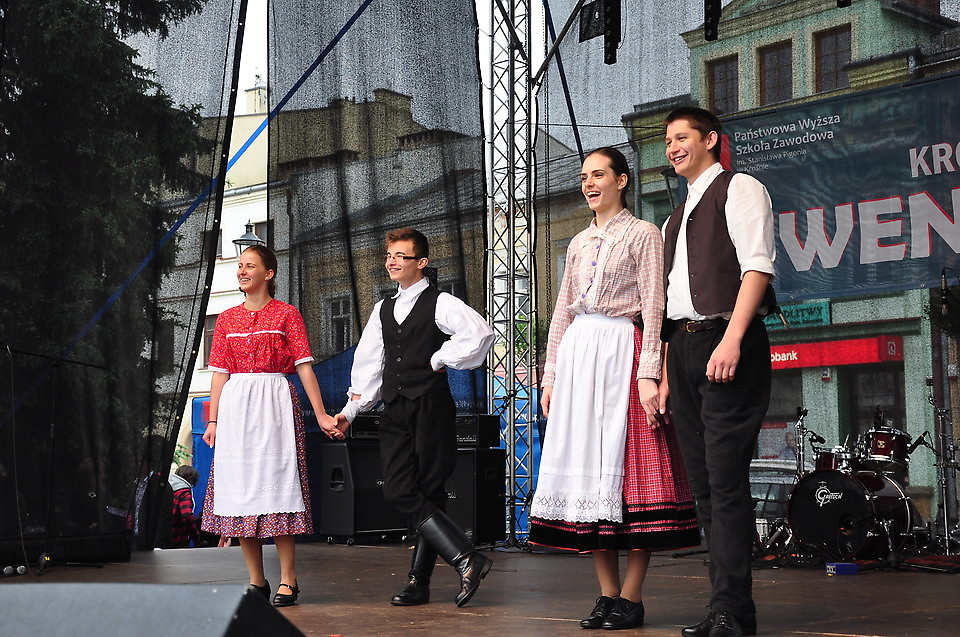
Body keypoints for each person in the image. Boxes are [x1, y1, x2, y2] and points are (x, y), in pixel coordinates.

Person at [528, 147, 700, 630]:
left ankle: (632, 595)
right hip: (581, 354)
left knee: (633, 474)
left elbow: (655, 305)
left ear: (622, 180)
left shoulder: (643, 233)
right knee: (588, 475)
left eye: (598, 174)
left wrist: (649, 373)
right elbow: (562, 310)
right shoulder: (578, 242)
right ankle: (606, 594)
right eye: (584, 176)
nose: (589, 183)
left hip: (623, 349)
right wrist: (550, 375)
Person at [659, 107, 777, 637]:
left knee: (726, 481)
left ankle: (732, 611)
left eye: (682, 137)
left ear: (710, 139)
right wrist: (665, 373)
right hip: (683, 348)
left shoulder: (740, 188)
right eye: (668, 140)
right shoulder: (675, 215)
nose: (672, 147)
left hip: (726, 337)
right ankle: (724, 609)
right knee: (704, 484)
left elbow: (757, 267)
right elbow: (671, 298)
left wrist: (731, 338)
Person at [334, 228, 495, 608]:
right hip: (396, 408)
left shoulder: (440, 302)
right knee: (398, 488)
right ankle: (465, 557)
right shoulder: (382, 309)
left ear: (421, 263)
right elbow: (370, 363)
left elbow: (480, 335)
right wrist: (350, 411)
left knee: (430, 492)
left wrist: (439, 358)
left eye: (401, 256)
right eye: (389, 255)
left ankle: (418, 583)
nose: (392, 261)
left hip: (431, 406)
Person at [201, 244, 342, 607]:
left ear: (269, 273)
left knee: (279, 487)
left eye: (250, 265)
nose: (242, 271)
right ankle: (256, 581)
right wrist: (213, 419)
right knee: (240, 492)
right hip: (236, 408)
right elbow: (219, 374)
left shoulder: (286, 314)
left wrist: (321, 414)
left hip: (274, 403)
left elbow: (304, 366)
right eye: (240, 265)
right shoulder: (227, 318)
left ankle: (289, 579)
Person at [169, 465, 200, 548]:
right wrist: (195, 537)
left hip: (163, 536)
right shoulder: (184, 492)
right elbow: (187, 515)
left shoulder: (167, 488)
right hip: (178, 538)